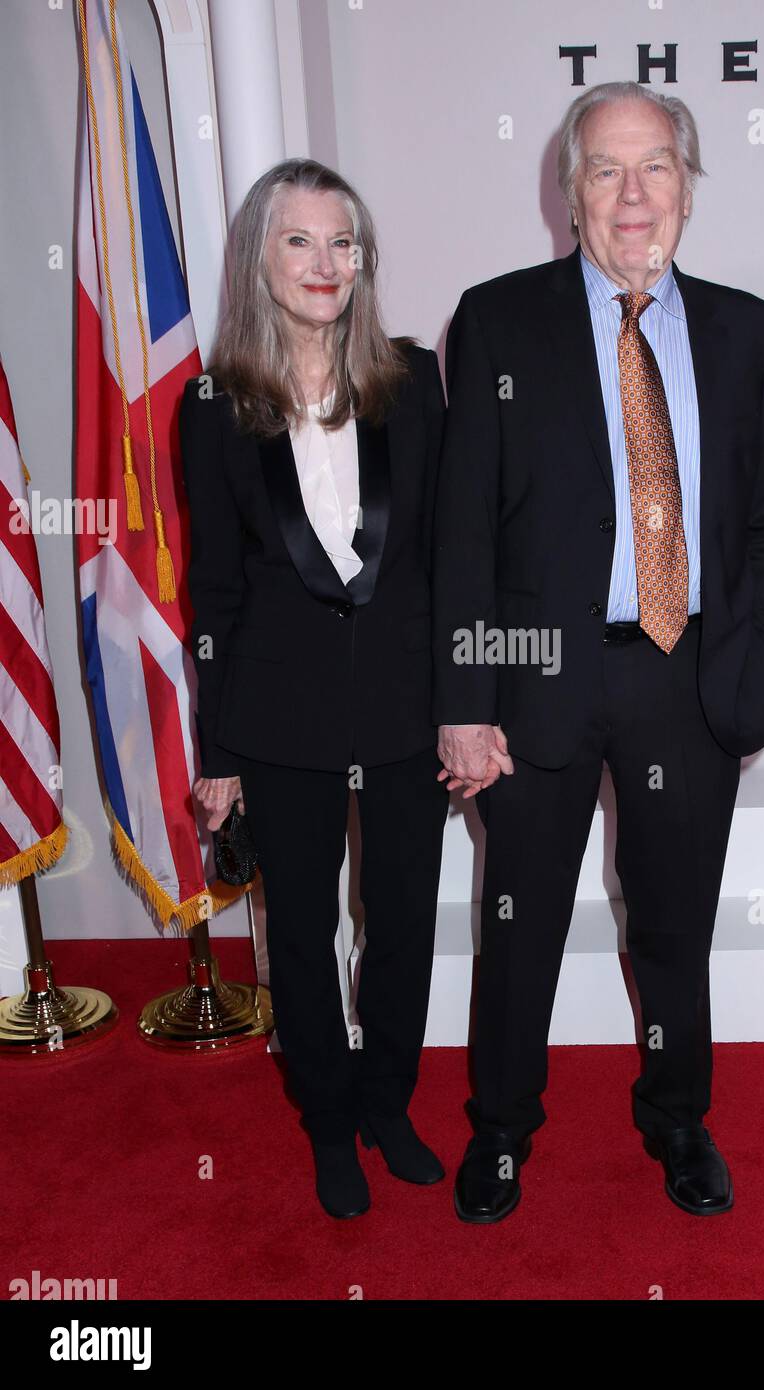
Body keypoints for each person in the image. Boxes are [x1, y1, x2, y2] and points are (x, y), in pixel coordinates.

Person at [433, 83, 764, 1222]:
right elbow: (461, 534)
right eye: (605, 170)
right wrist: (463, 700)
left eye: (655, 168)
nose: (632, 197)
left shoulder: (749, 330)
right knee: (519, 917)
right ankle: (499, 1130)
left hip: (684, 675)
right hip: (538, 670)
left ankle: (677, 1117)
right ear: (569, 192)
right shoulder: (496, 321)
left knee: (674, 922)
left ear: (686, 186)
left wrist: (733, 661)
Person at [180, 159, 448, 1219]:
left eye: (343, 242)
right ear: (261, 258)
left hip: (401, 705)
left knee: (402, 920)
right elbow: (214, 585)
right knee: (298, 929)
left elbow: (440, 557)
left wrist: (465, 696)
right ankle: (327, 1117)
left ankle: (388, 1101)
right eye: (299, 240)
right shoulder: (212, 405)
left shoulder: (414, 380)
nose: (325, 263)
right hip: (277, 715)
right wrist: (216, 753)